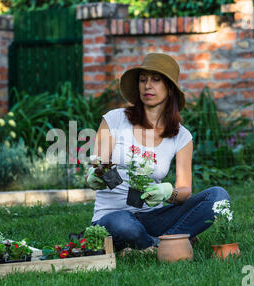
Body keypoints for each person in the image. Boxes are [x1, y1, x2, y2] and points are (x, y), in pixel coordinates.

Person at [85, 52, 231, 253]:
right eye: (143, 80)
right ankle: (167, 243)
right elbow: (98, 164)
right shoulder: (115, 119)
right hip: (112, 217)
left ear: (170, 89)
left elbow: (184, 191)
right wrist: (94, 176)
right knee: (123, 223)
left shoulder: (182, 136)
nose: (147, 86)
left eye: (156, 80)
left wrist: (169, 193)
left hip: (152, 218)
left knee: (218, 196)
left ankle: (151, 243)